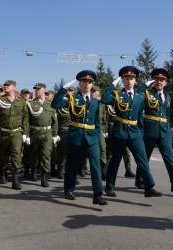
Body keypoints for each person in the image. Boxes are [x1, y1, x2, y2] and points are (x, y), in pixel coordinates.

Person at [101, 66, 162, 198]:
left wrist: (140, 132)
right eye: (126, 78)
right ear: (122, 80)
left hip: (135, 133)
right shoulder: (117, 95)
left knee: (143, 159)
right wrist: (113, 83)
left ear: (135, 80)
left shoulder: (140, 97)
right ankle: (109, 186)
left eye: (132, 78)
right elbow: (105, 99)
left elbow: (140, 116)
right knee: (115, 160)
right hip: (120, 132)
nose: (129, 80)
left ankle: (149, 187)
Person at [52, 70, 107, 205]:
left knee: (95, 165)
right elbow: (55, 104)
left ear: (92, 84)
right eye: (84, 81)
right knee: (72, 164)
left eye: (90, 81)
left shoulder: (95, 101)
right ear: (80, 83)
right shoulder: (72, 98)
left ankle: (97, 194)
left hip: (92, 137)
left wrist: (97, 135)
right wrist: (63, 89)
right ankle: (68, 189)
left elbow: (97, 122)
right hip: (76, 135)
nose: (87, 84)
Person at [136, 68, 173, 192]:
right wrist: (145, 84)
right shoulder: (147, 94)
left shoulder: (168, 97)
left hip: (164, 131)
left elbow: (167, 115)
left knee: (169, 157)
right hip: (149, 130)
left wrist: (168, 129)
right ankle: (140, 180)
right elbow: (137, 94)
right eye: (157, 79)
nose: (159, 82)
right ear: (153, 81)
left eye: (162, 80)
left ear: (166, 82)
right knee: (145, 157)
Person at [0, 80, 29, 190]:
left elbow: (25, 118)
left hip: (17, 132)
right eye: (5, 85)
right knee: (3, 155)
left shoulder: (21, 101)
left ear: (14, 87)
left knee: (16, 154)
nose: (6, 87)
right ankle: (2, 172)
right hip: (3, 132)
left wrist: (25, 133)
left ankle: (15, 179)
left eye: (8, 85)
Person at [26, 83, 58, 187]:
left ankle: (44, 177)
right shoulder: (31, 104)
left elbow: (55, 121)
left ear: (44, 90)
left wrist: (55, 134)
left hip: (47, 132)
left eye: (38, 89)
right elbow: (27, 121)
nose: (36, 91)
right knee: (33, 154)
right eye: (35, 89)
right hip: (35, 132)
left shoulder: (51, 104)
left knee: (46, 154)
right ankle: (33, 171)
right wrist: (26, 135)